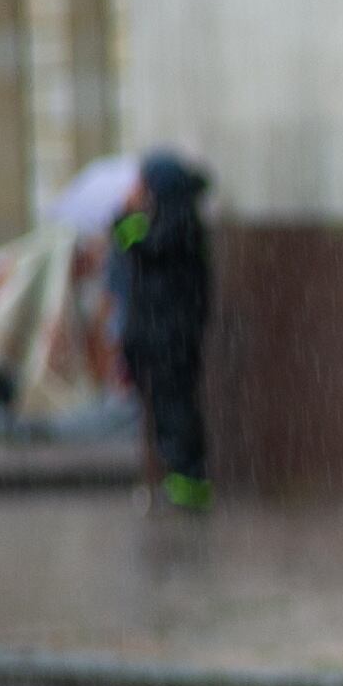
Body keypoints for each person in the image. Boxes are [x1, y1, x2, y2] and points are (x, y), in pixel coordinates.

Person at [114, 153, 213, 510]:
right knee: (164, 406)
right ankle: (179, 477)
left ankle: (188, 480)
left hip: (170, 335)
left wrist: (125, 216)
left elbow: (140, 246)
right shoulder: (168, 219)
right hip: (158, 334)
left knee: (175, 407)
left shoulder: (178, 221)